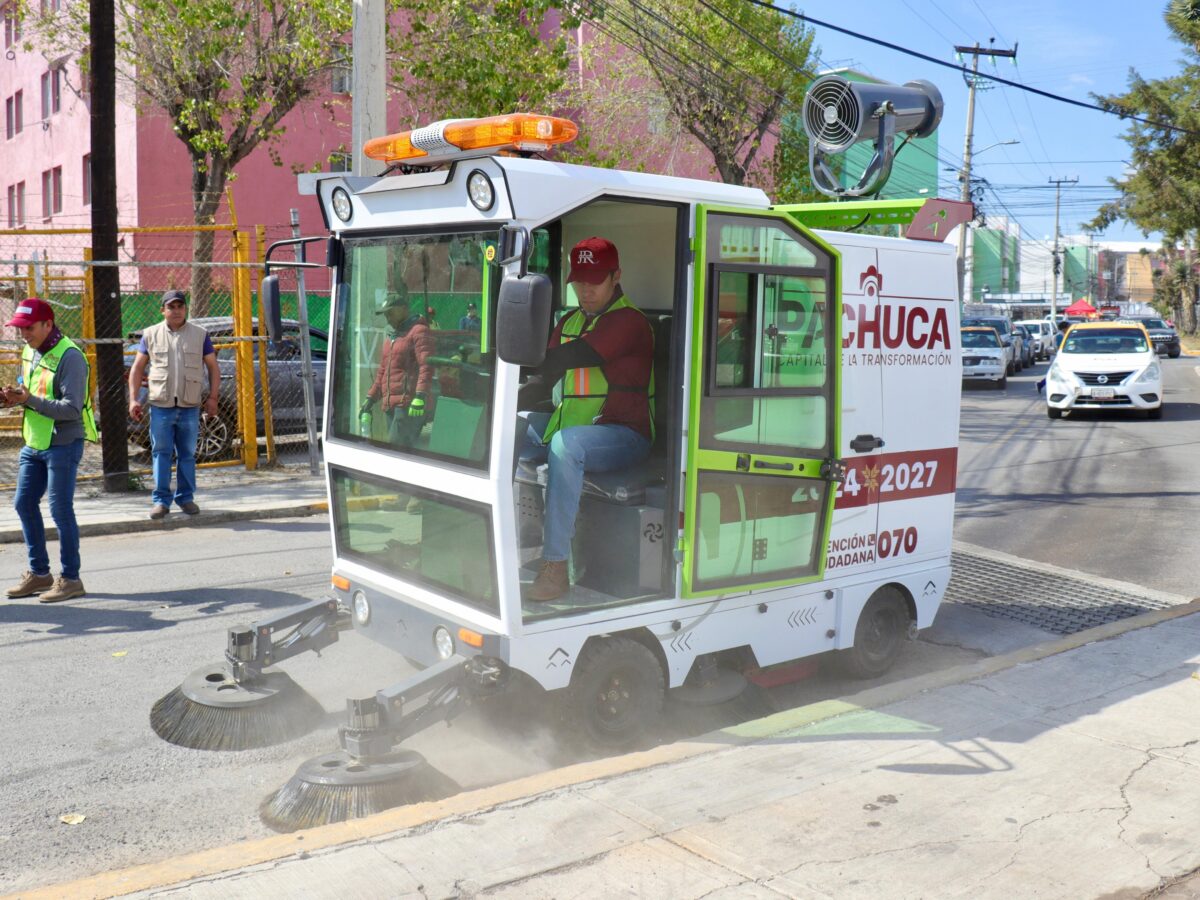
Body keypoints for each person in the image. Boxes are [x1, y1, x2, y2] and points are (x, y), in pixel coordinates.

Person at [519, 237, 654, 602]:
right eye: (579, 281)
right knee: (508, 425)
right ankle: (487, 537)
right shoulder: (569, 320)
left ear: (616, 277)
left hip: (624, 436)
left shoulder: (629, 321)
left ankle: (555, 566)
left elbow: (567, 358)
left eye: (594, 280)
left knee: (566, 444)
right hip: (572, 429)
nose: (585, 290)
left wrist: (508, 352)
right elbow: (542, 379)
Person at [2, 298, 98, 603]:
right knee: (23, 504)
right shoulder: (29, 350)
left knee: (60, 510)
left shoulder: (71, 356)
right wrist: (11, 399)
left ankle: (71, 579)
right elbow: (29, 392)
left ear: (48, 324)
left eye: (28, 328)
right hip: (35, 442)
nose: (23, 334)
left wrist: (28, 400)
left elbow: (71, 409)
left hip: (63, 443)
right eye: (20, 328)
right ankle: (39, 574)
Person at [127, 290, 220, 520]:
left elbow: (213, 368)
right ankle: (161, 501)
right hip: (161, 405)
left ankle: (186, 498)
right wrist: (133, 398)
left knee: (187, 454)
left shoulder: (200, 335)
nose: (176, 310)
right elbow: (137, 368)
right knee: (161, 453)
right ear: (163, 310)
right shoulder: (150, 334)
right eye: (171, 307)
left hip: (189, 405)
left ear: (185, 309)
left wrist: (213, 398)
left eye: (180, 306)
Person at [360, 288, 434, 447]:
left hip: (409, 405)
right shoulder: (392, 337)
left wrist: (420, 395)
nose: (387, 318)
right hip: (390, 405)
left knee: (396, 449)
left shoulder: (418, 331)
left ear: (404, 310)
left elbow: (426, 365)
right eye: (386, 315)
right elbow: (383, 372)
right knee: (399, 452)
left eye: (390, 313)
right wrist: (370, 399)